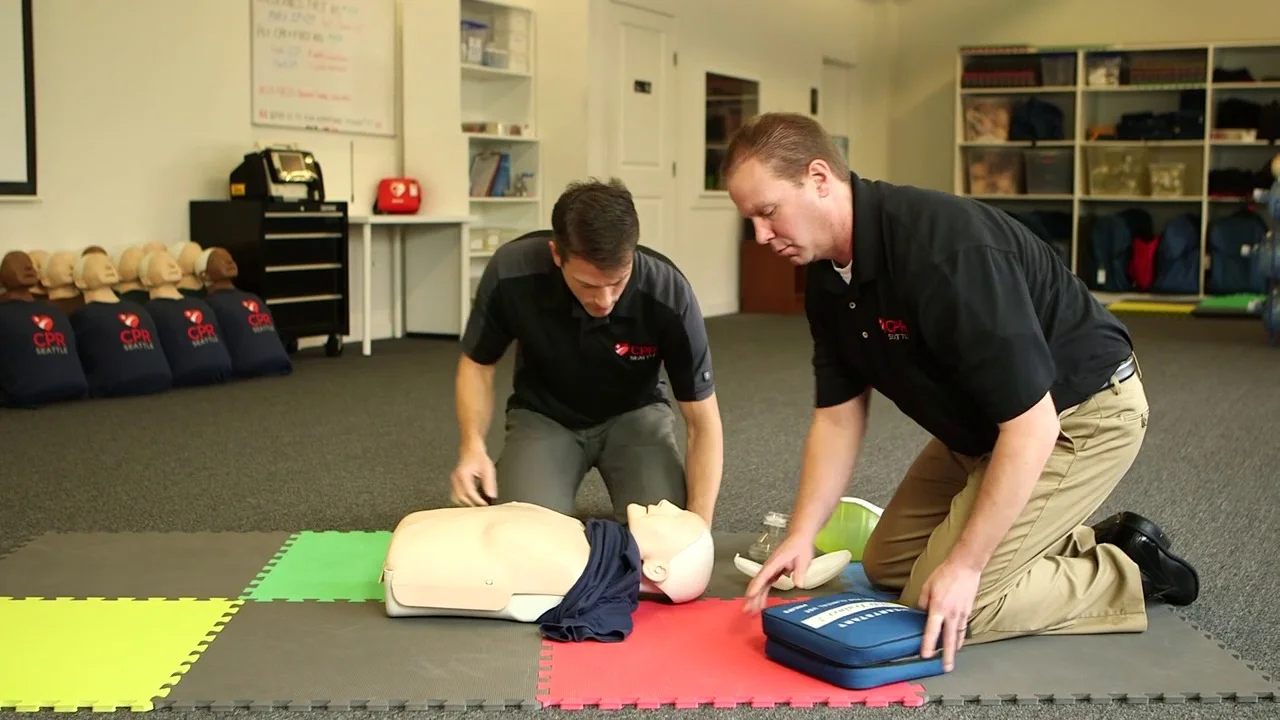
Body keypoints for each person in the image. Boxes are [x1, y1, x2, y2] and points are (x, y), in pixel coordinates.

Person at [723, 113, 1199, 672]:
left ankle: (1127, 571)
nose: (759, 236)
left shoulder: (943, 252)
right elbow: (837, 418)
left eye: (767, 212)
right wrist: (802, 533)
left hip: (1078, 416)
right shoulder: (830, 279)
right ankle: (1041, 540)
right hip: (985, 429)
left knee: (949, 605)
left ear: (819, 177)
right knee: (889, 565)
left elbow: (1034, 425)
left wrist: (969, 567)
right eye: (749, 220)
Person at [450, 178, 724, 528]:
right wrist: (471, 446)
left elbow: (703, 422)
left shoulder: (668, 293)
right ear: (556, 255)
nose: (605, 300)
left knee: (664, 536)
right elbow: (477, 365)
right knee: (521, 536)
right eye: (589, 285)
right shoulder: (512, 272)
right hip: (545, 416)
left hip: (636, 417)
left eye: (618, 282)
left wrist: (697, 529)